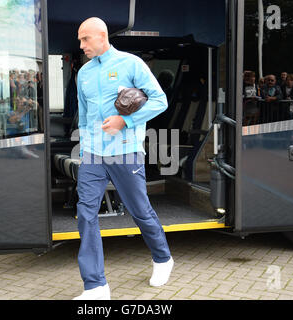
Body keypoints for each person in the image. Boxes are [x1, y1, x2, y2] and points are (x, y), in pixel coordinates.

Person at [73, 17, 174, 300]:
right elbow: (84, 114)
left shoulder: (131, 64)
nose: (81, 46)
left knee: (139, 209)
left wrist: (124, 122)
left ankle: (163, 259)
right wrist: (83, 149)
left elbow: (159, 100)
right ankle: (95, 286)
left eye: (85, 39)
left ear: (102, 36)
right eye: (80, 40)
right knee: (86, 213)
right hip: (93, 154)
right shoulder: (84, 73)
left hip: (125, 151)